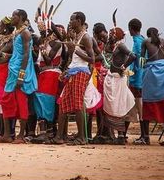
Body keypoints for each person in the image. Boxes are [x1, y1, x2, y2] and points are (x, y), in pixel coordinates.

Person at [52, 12, 95, 145]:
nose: (70, 22)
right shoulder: (77, 37)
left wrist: (75, 50)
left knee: (77, 105)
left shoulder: (86, 37)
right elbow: (74, 59)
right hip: (73, 72)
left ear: (79, 21)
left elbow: (92, 59)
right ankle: (59, 137)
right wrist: (67, 70)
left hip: (81, 72)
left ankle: (82, 137)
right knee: (63, 103)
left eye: (72, 19)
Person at [0, 9, 38, 143]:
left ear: (20, 18)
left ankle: (21, 136)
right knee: (6, 100)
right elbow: (16, 53)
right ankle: (7, 135)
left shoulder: (25, 33)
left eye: (14, 15)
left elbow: (26, 55)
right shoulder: (16, 33)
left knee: (21, 103)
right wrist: (4, 55)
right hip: (12, 70)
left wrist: (21, 76)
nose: (12, 17)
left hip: (20, 72)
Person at [102, 26, 138, 144]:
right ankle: (120, 135)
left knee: (120, 105)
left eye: (112, 34)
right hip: (112, 78)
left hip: (118, 79)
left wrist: (124, 66)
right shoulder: (114, 45)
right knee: (115, 105)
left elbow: (133, 56)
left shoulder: (121, 45)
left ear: (117, 35)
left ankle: (122, 135)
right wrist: (111, 39)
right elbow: (106, 48)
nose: (109, 36)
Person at [141, 27, 164, 146]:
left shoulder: (145, 41)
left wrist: (143, 67)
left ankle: (146, 138)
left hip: (150, 75)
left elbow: (141, 60)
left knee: (146, 105)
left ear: (148, 34)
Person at [127, 18, 147, 144]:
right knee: (136, 107)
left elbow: (140, 60)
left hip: (137, 80)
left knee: (140, 108)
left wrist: (138, 75)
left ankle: (144, 136)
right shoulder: (141, 39)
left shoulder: (138, 42)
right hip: (138, 78)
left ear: (131, 29)